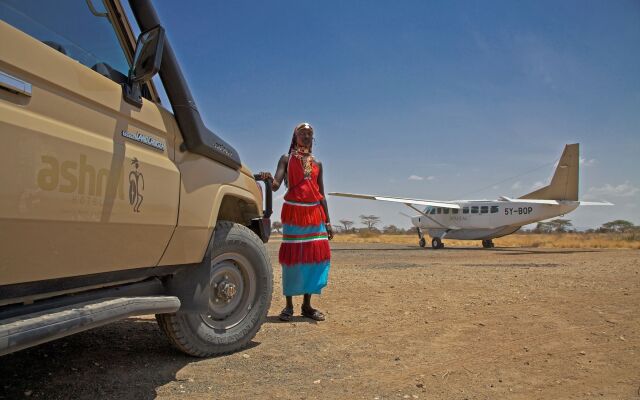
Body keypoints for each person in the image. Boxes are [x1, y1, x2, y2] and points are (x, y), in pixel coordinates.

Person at [259, 122, 333, 321]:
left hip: (315, 214)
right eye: (303, 133)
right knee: (293, 259)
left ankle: (307, 306)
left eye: (309, 134)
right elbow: (275, 186)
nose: (306, 136)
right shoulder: (287, 159)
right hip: (294, 213)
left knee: (313, 259)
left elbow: (321, 195)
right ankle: (289, 306)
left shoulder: (318, 164)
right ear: (295, 136)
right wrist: (268, 179)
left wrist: (328, 222)